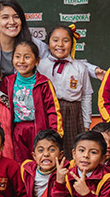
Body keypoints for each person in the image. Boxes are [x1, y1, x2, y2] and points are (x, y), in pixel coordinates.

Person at [0, 0, 104, 79]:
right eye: (5, 17)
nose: (12, 22)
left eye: (16, 17)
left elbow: (62, 60)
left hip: (22, 105)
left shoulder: (32, 44)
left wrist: (93, 70)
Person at [0, 40, 63, 163]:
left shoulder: (44, 83)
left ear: (37, 61)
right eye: (17, 57)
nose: (22, 61)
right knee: (20, 162)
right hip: (17, 130)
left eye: (27, 57)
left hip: (39, 129)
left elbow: (53, 110)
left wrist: (54, 134)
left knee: (41, 162)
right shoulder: (7, 82)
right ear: (12, 59)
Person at [37, 24, 93, 160]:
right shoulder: (40, 65)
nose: (60, 44)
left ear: (72, 44)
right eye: (55, 40)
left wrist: (86, 123)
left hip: (72, 113)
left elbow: (86, 95)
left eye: (65, 40)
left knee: (71, 151)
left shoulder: (80, 67)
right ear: (48, 43)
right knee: (48, 149)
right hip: (47, 111)